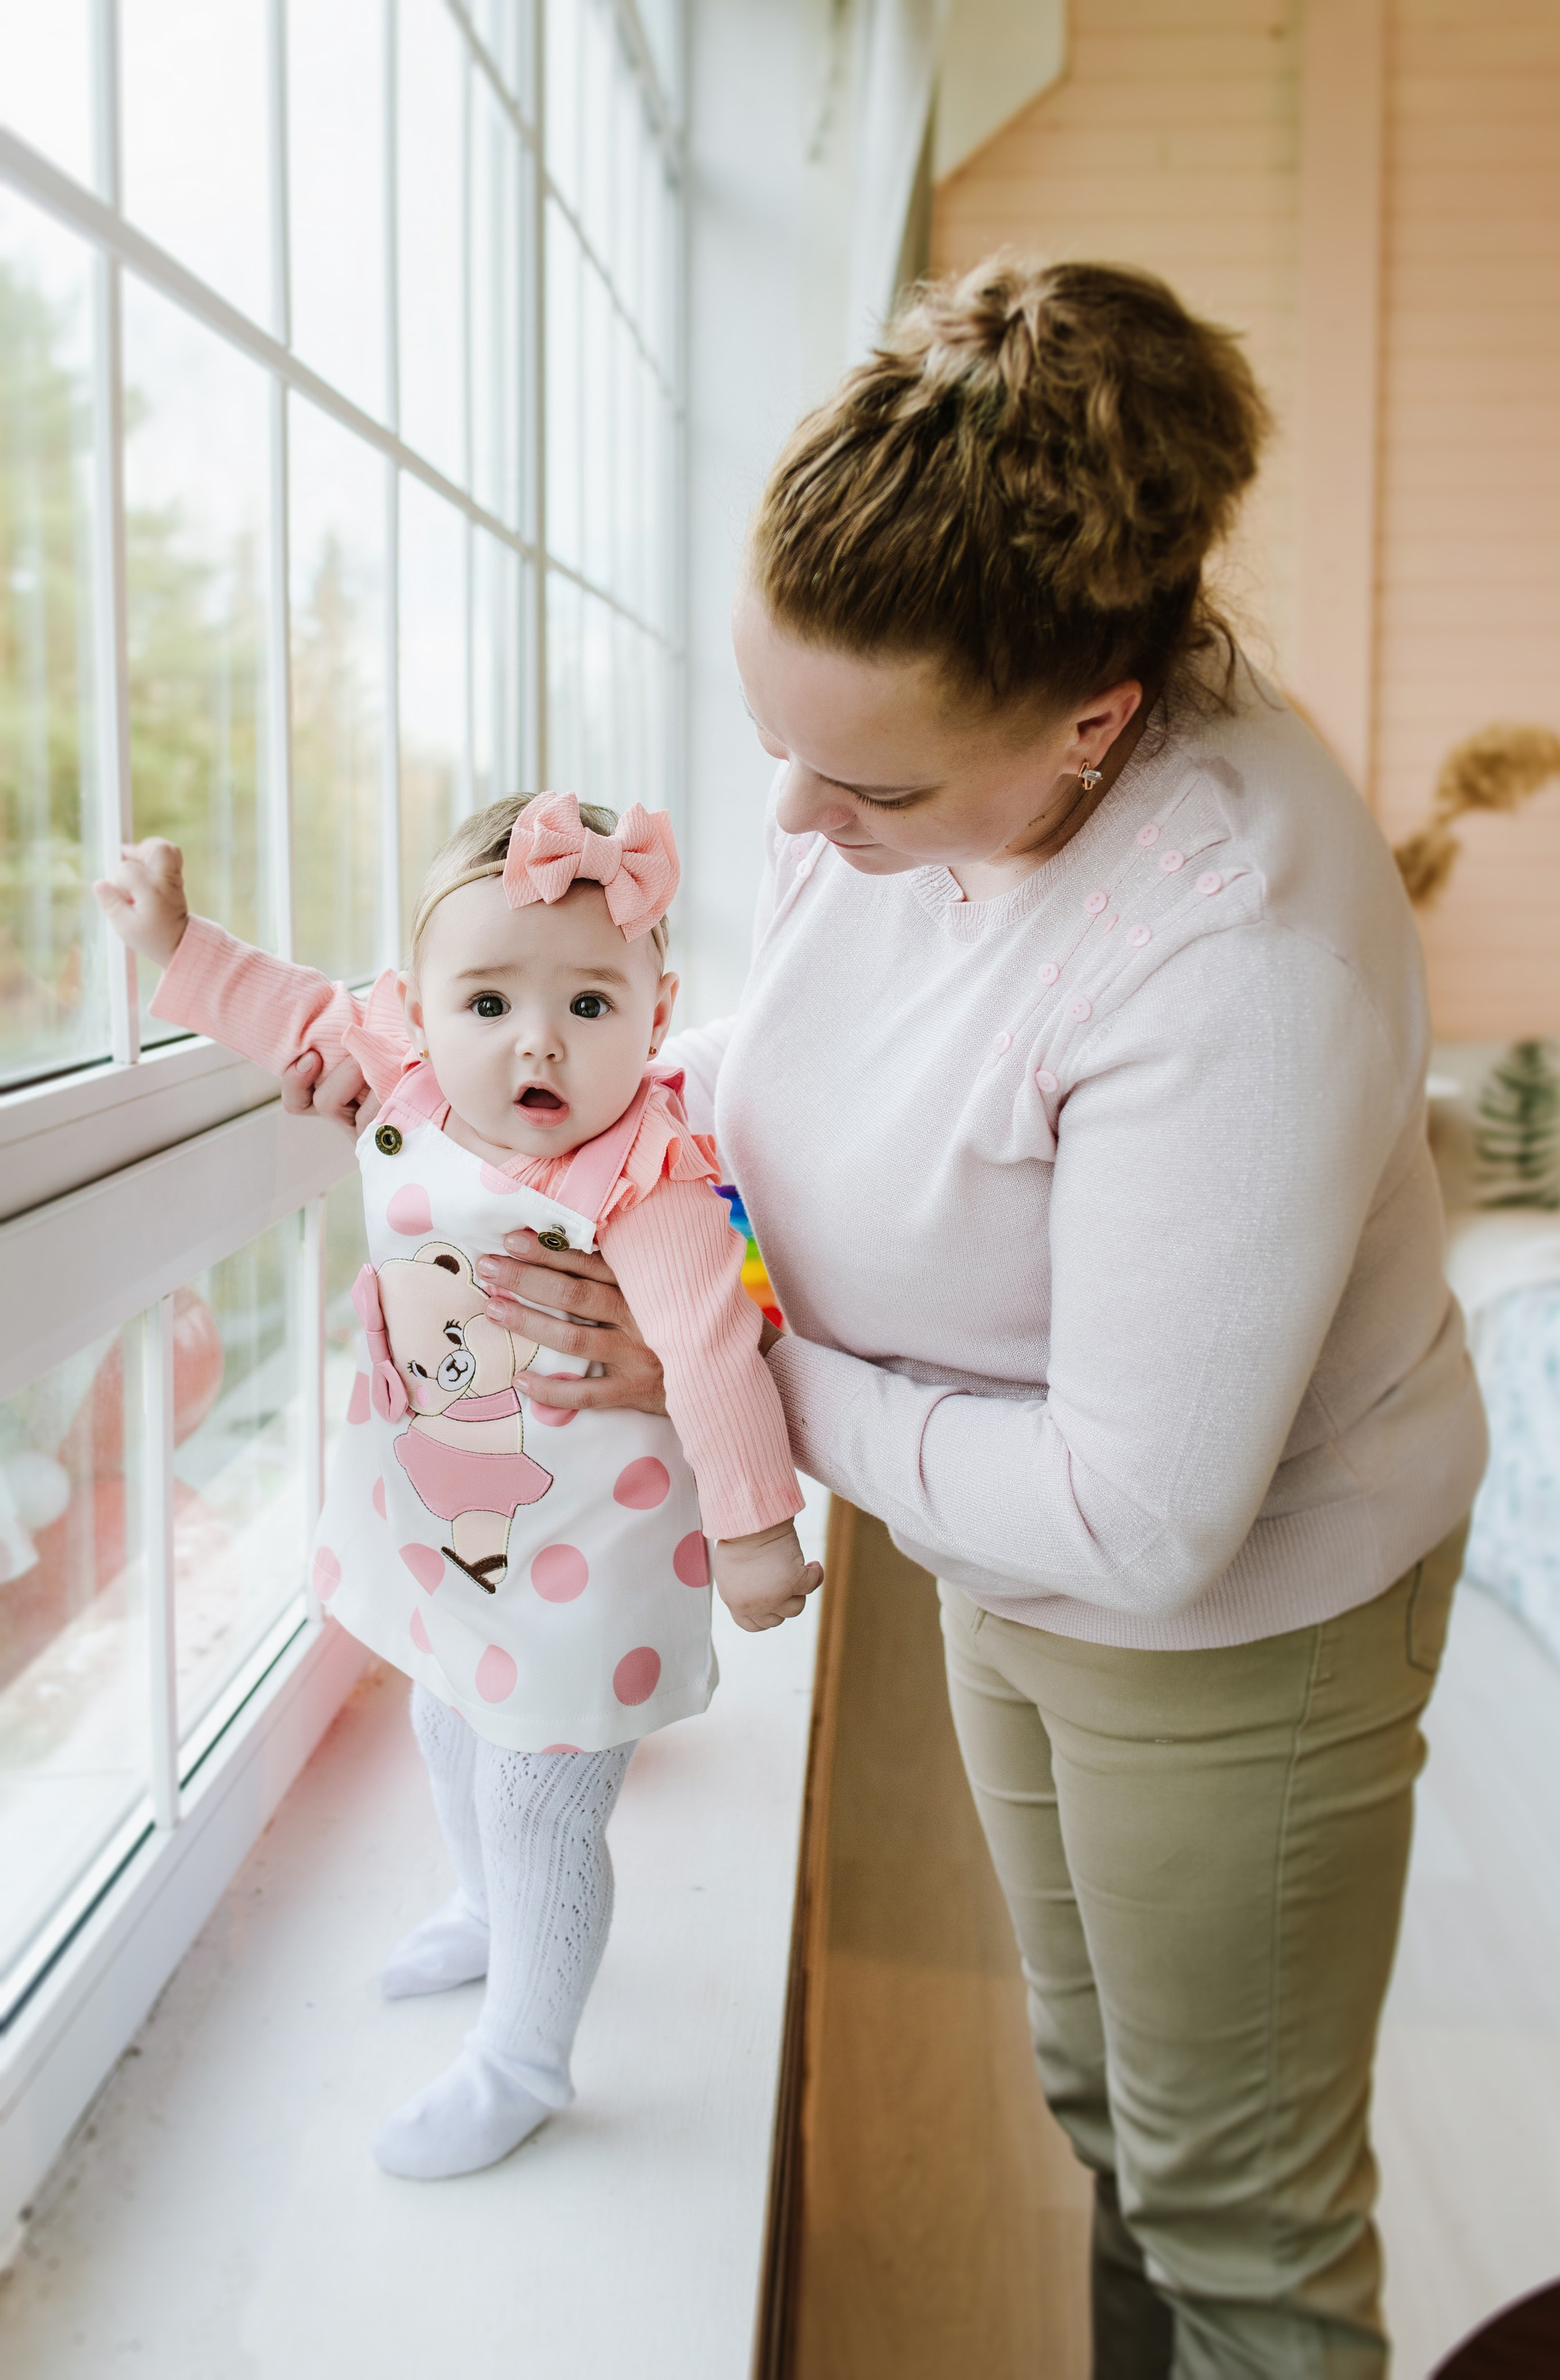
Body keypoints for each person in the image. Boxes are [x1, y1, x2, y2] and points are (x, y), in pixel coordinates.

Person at [282, 260, 1486, 2376]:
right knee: (1114, 2104)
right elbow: (800, 1048)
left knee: (1244, 2216)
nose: (791, 827)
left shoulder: (1237, 951)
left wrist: (718, 1365)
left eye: (868, 792)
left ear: (1097, 719)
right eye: (779, 749)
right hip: (989, 1523)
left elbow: (1140, 1515)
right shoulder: (938, 760)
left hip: (1227, 1611)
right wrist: (468, 1080)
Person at [94, 792, 818, 2183]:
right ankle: (488, 1909)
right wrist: (179, 943)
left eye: (587, 1003)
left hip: (590, 1559)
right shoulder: (411, 1082)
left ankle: (525, 2057)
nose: (535, 1039)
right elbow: (291, 1011)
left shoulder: (652, 1179)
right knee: (440, 1722)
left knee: (542, 1796)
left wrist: (754, 1535)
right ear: (419, 1008)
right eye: (487, 1000)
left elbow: (717, 1354)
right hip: (451, 1521)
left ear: (656, 1012)